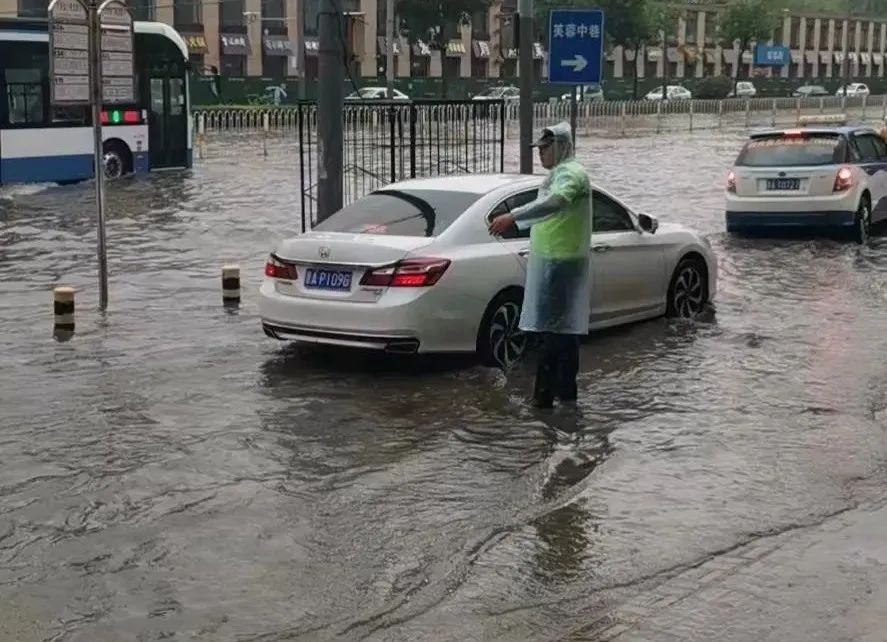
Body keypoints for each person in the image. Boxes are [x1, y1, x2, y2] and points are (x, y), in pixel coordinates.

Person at [489, 122, 592, 409]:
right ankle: (560, 401)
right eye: (539, 149)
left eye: (545, 148)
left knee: (555, 335)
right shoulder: (559, 174)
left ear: (560, 147)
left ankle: (549, 401)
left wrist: (513, 216)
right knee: (557, 333)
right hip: (552, 263)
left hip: (562, 264)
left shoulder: (571, 174)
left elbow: (556, 202)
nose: (540, 154)